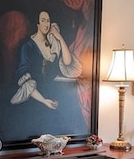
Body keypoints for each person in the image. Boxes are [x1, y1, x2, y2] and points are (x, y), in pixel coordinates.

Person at [7, 10, 85, 138]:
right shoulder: (28, 47)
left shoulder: (53, 44)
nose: (46, 23)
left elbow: (67, 61)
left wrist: (59, 38)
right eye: (43, 20)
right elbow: (26, 81)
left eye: (48, 20)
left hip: (56, 95)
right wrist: (45, 101)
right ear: (37, 24)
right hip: (36, 99)